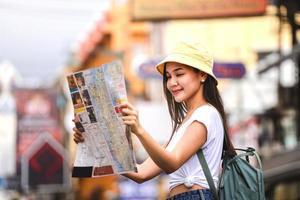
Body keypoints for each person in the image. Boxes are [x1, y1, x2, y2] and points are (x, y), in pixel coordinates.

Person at [73, 41, 235, 200]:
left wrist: (139, 130)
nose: (172, 83)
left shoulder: (206, 114)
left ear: (202, 75)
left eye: (179, 74)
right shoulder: (185, 123)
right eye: (169, 76)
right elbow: (141, 173)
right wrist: (94, 141)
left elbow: (172, 163)